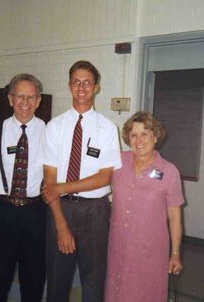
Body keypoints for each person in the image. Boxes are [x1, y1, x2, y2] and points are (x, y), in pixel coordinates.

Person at [41, 60, 122, 302]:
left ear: (96, 87)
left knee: (94, 280)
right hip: (60, 209)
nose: (82, 87)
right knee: (57, 280)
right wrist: (61, 225)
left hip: (95, 211)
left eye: (87, 82)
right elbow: (49, 183)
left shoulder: (107, 128)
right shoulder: (55, 127)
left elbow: (104, 177)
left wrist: (62, 187)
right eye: (76, 81)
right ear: (69, 86)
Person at [0, 74, 46, 302]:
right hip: (1, 213)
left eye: (31, 97)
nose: (26, 103)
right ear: (10, 99)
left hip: (35, 214)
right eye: (20, 97)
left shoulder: (49, 132)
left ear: (39, 100)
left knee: (33, 282)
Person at [104, 111, 184, 302]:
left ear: (155, 136)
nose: (139, 140)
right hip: (118, 246)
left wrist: (175, 253)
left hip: (150, 252)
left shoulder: (169, 172)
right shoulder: (118, 162)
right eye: (133, 135)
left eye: (145, 134)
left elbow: (175, 217)